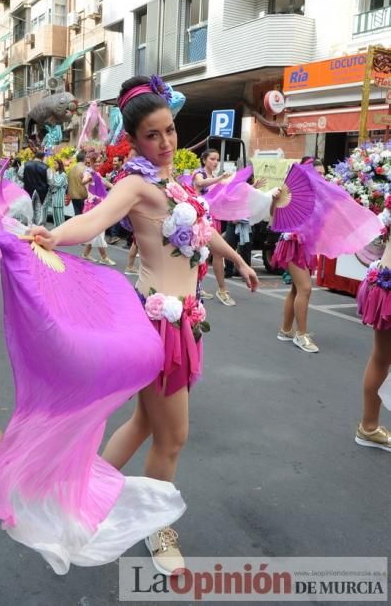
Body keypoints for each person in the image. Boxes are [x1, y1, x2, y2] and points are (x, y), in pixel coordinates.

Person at [31, 74, 259, 573]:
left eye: (170, 131)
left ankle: (81, 499)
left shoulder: (173, 181)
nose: (165, 142)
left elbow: (205, 229)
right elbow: (94, 220)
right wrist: (54, 234)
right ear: (133, 140)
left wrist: (238, 262)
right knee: (172, 437)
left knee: (144, 422)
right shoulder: (135, 183)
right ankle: (157, 530)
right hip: (157, 322)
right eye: (153, 135)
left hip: (185, 320)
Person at [271, 156, 325, 353]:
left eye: (324, 174)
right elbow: (274, 218)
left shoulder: (318, 195)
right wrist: (275, 201)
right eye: (318, 173)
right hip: (293, 245)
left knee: (296, 289)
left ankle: (285, 330)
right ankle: (301, 335)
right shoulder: (293, 194)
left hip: (307, 246)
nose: (322, 177)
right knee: (305, 289)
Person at [355, 201, 391, 452]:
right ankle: (368, 428)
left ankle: (368, 426)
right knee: (381, 358)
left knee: (381, 358)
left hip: (383, 279)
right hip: (387, 284)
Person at [193, 150, 235, 305]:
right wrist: (220, 179)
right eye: (212, 159)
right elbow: (199, 183)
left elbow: (224, 196)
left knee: (217, 254)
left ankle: (221, 289)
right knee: (198, 253)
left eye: (217, 159)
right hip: (199, 219)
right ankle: (200, 286)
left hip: (212, 219)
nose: (215, 162)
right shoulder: (199, 173)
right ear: (204, 160)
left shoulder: (215, 178)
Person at [82, 155, 116, 266]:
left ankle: (86, 254)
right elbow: (83, 181)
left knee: (95, 231)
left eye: (99, 162)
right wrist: (87, 180)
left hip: (99, 205)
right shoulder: (88, 173)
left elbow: (104, 182)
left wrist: (115, 186)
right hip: (93, 206)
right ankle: (104, 257)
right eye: (95, 162)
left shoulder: (96, 173)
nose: (98, 164)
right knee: (99, 231)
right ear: (91, 162)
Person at [21, 151, 48, 226]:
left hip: (28, 188)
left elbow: (20, 174)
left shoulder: (25, 164)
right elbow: (50, 180)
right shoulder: (45, 167)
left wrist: (25, 180)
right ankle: (38, 226)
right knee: (39, 208)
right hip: (42, 190)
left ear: (35, 156)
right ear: (43, 158)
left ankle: (28, 225)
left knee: (29, 206)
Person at [48, 159, 68, 228]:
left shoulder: (63, 174)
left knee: (60, 219)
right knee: (55, 219)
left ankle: (62, 231)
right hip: (54, 198)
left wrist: (52, 177)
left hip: (59, 199)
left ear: (60, 165)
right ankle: (56, 231)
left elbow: (57, 183)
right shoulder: (56, 173)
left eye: (56, 164)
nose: (54, 165)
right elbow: (51, 184)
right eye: (54, 164)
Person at [68, 150, 88, 216]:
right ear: (85, 159)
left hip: (73, 196)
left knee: (77, 214)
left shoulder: (71, 169)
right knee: (84, 215)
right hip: (83, 196)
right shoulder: (85, 169)